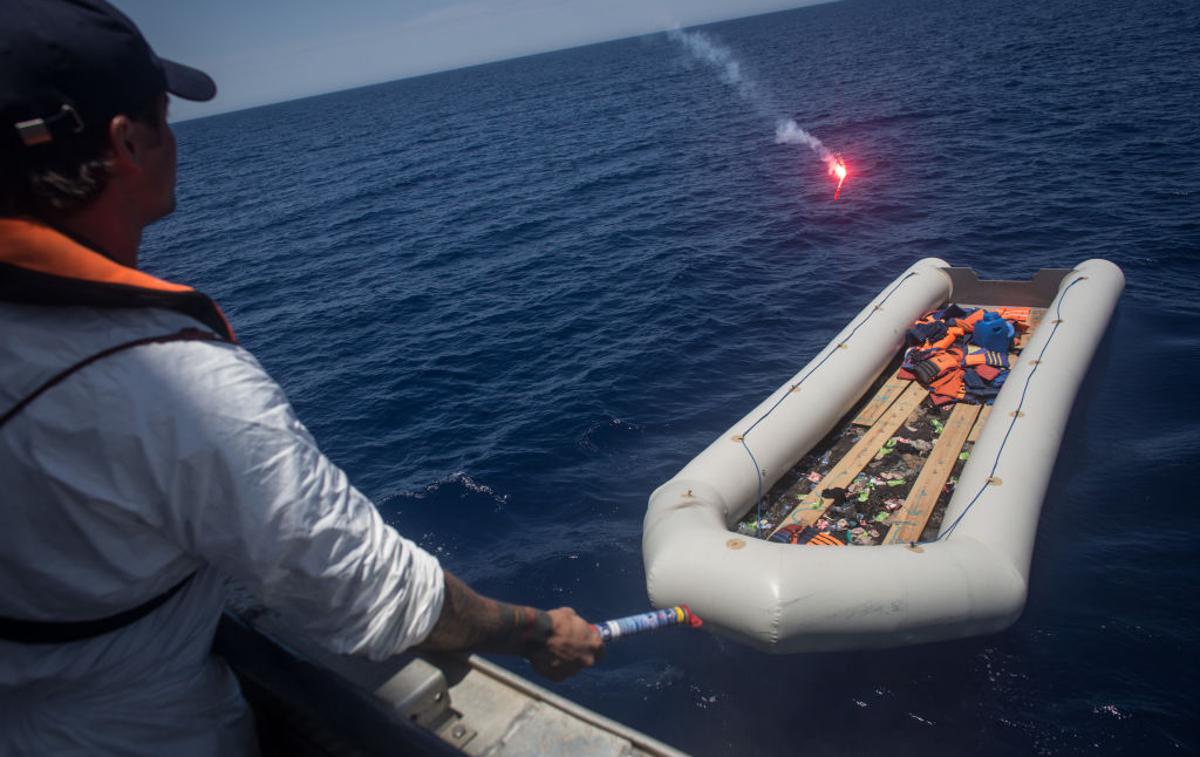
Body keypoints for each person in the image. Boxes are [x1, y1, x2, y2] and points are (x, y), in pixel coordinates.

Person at [0, 1, 603, 753]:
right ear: (127, 142)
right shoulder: (170, 384)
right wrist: (539, 629)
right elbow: (373, 591)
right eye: (163, 115)